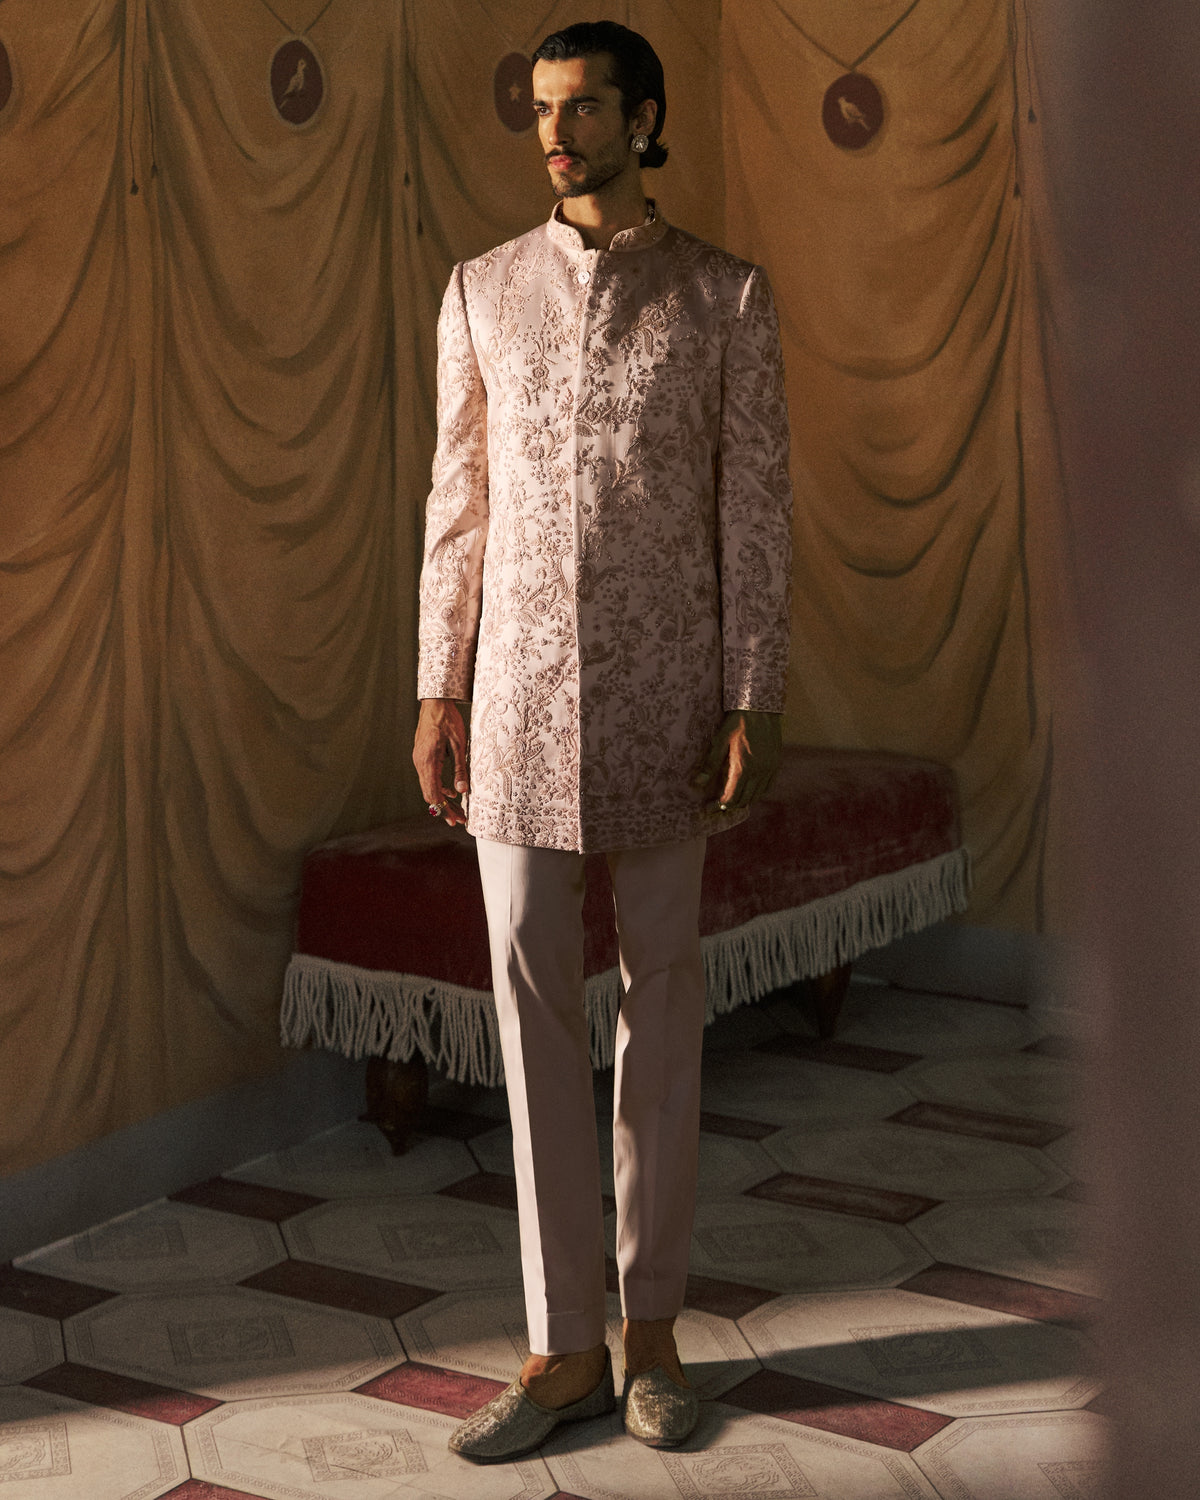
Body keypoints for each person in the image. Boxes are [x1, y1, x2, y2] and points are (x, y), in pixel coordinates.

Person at [413, 19, 792, 1460]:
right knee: (528, 1011)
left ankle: (654, 1333)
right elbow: (457, 507)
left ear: (643, 118)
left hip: (667, 703)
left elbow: (755, 511)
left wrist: (754, 690)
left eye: (581, 108)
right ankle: (561, 1342)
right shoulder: (481, 289)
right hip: (514, 703)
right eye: (541, 108)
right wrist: (438, 689)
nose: (555, 133)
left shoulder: (725, 297)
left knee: (665, 1008)